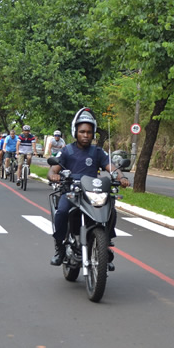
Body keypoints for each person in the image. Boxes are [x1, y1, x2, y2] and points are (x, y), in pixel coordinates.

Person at [47, 107, 130, 266]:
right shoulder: (66, 151)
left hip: (92, 193)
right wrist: (54, 176)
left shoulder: (97, 152)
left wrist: (122, 177)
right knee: (62, 212)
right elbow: (53, 170)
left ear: (93, 134)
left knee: (110, 209)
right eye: (82, 132)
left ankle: (105, 245)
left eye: (89, 132)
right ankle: (60, 248)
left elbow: (112, 168)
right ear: (75, 132)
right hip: (72, 191)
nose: (86, 135)